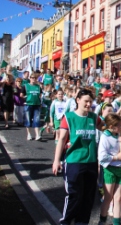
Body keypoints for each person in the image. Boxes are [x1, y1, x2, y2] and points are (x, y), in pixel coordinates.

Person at [52, 88, 102, 225]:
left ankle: (82, 222)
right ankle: (66, 221)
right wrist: (56, 161)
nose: (88, 104)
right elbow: (61, 140)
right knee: (74, 195)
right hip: (74, 161)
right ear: (78, 100)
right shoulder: (68, 117)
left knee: (88, 196)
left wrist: (119, 122)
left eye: (90, 102)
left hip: (91, 161)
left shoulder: (93, 117)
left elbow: (107, 128)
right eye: (86, 101)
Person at [98, 113, 121, 225]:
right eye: (120, 126)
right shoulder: (105, 137)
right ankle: (102, 220)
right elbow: (102, 157)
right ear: (112, 126)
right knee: (108, 197)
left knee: (118, 198)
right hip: (109, 170)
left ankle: (116, 223)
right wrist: (116, 157)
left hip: (120, 169)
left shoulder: (120, 135)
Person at [20, 73, 43, 141]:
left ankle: (37, 135)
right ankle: (29, 134)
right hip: (28, 104)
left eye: (35, 78)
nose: (34, 79)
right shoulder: (25, 86)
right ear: (30, 78)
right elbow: (21, 95)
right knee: (28, 120)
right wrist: (25, 97)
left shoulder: (38, 87)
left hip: (37, 105)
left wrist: (40, 102)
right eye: (32, 78)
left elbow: (40, 95)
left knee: (37, 120)